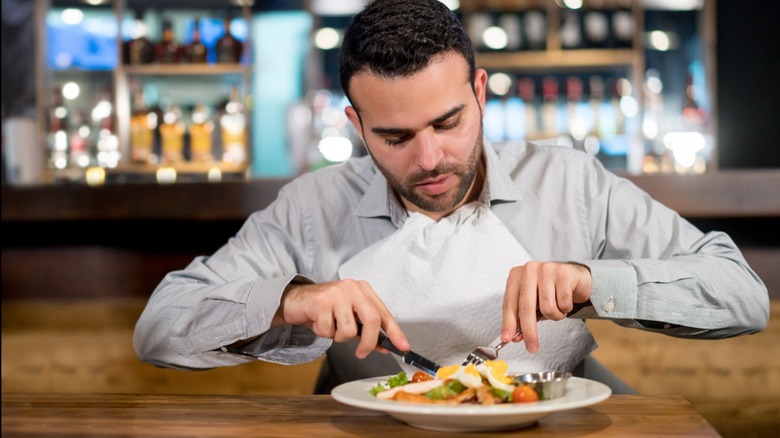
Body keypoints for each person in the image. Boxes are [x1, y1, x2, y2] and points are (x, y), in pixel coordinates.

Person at [133, 0, 769, 394]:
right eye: (395, 137)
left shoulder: (571, 183)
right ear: (356, 126)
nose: (430, 158)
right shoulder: (312, 207)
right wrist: (289, 301)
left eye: (448, 122)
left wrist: (591, 283)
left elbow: (741, 295)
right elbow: (160, 326)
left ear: (481, 94)